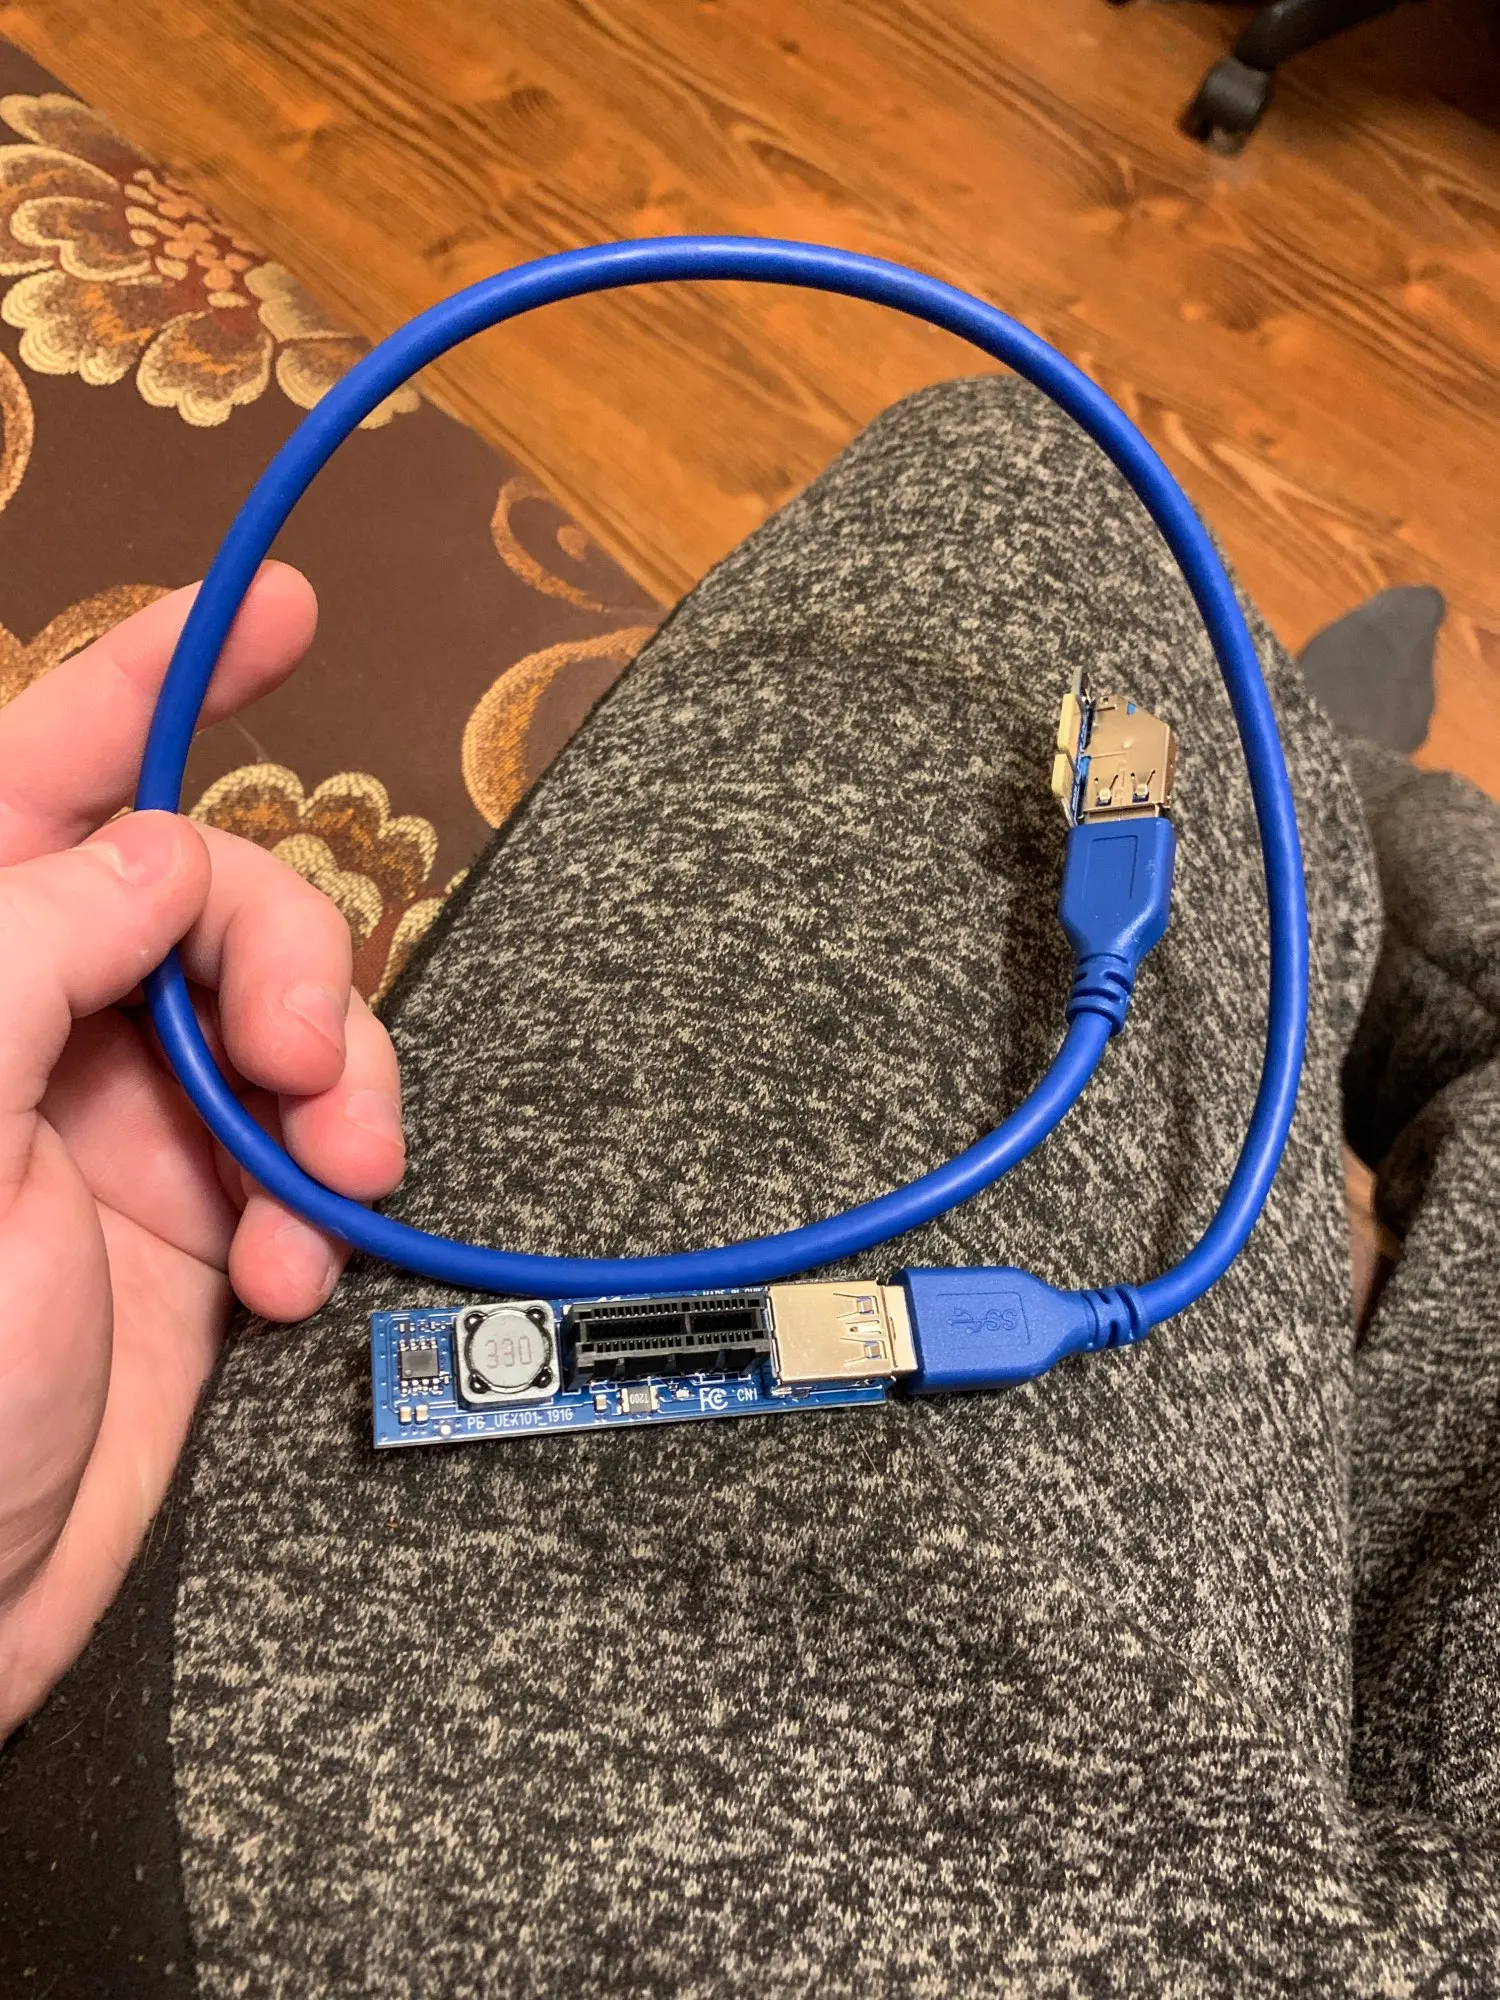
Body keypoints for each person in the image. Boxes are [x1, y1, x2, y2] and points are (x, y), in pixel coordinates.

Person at [2, 379, 1498, 1994]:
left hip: (243, 1745)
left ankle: (1304, 799)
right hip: (240, 1732)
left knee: (1030, 481)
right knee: (1081, 533)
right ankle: (1314, 808)